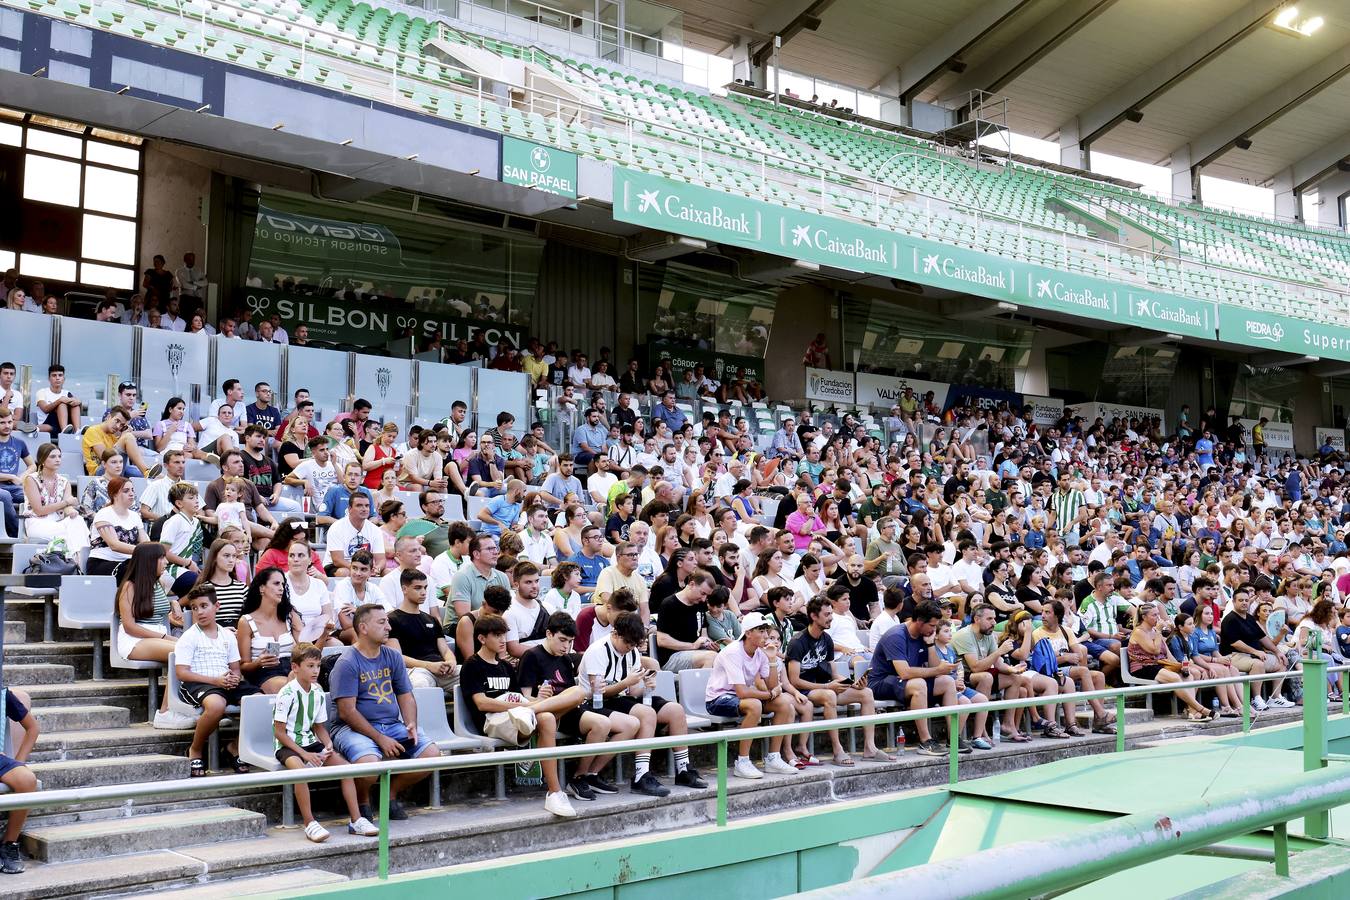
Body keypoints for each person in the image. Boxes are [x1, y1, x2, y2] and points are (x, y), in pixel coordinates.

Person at [329, 604, 440, 822]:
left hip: (390, 723)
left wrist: (411, 724)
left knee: (432, 756)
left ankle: (388, 794)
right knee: (370, 763)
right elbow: (347, 712)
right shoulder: (347, 662)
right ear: (363, 627)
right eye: (382, 622)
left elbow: (406, 695)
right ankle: (362, 801)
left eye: (387, 621)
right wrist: (381, 739)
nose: (388, 627)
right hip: (350, 728)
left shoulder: (393, 656)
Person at [460, 615, 577, 818]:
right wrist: (528, 706)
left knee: (566, 702)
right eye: (497, 635)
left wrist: (532, 703)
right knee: (543, 715)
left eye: (504, 635)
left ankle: (554, 793)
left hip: (518, 714)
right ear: (481, 638)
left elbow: (519, 698)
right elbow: (482, 703)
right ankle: (555, 791)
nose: (503, 640)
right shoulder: (472, 664)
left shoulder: (506, 667)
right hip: (492, 720)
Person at [577, 609, 705, 795]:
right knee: (647, 713)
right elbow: (599, 694)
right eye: (627, 642)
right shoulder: (598, 651)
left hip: (622, 698)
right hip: (599, 702)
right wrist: (626, 683)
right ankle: (641, 775)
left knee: (675, 710)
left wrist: (646, 686)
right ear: (615, 633)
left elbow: (634, 691)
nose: (630, 647)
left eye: (634, 644)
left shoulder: (633, 651)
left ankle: (683, 769)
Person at [519, 612, 639, 803]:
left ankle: (580, 777)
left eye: (570, 642)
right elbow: (524, 698)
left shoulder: (566, 659)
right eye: (562, 640)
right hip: (545, 712)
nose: (566, 646)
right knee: (578, 692)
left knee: (601, 723)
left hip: (570, 710)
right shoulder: (532, 656)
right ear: (549, 634)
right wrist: (538, 698)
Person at [273, 643, 379, 841]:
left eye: (318, 666)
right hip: (288, 746)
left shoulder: (318, 692)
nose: (315, 671)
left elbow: (319, 727)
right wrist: (304, 755)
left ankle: (356, 820)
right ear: (295, 668)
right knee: (300, 772)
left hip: (311, 743)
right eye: (310, 666)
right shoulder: (286, 694)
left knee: (346, 768)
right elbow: (279, 733)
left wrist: (328, 743)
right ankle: (310, 823)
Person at [786, 596, 894, 765]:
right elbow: (794, 680)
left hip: (825, 687)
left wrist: (852, 682)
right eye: (827, 614)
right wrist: (828, 685)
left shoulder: (826, 639)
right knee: (829, 695)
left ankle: (869, 748)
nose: (831, 618)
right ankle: (838, 750)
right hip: (804, 691)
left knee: (866, 693)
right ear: (814, 616)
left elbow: (833, 673)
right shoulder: (797, 642)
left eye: (831, 614)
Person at [175, 586, 260, 776]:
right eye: (195, 608)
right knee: (216, 706)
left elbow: (236, 668)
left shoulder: (228, 635)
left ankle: (234, 747)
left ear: (217, 606)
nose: (199, 612)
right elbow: (181, 673)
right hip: (198, 682)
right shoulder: (189, 637)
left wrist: (233, 679)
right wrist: (215, 680)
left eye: (204, 606)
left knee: (260, 702)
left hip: (224, 680)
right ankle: (195, 749)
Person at [705, 612, 799, 778]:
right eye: (760, 631)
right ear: (748, 633)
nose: (766, 636)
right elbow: (743, 691)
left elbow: (771, 686)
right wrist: (770, 694)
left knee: (784, 703)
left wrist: (771, 660)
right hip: (718, 699)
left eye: (766, 631)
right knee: (755, 704)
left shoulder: (761, 652)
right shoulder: (733, 651)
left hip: (743, 699)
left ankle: (773, 758)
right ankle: (742, 762)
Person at [866, 599, 955, 756]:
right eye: (932, 625)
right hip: (882, 682)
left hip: (905, 682)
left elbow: (936, 669)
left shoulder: (925, 635)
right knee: (919, 684)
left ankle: (953, 737)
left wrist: (930, 645)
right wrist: (937, 669)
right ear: (920, 621)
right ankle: (925, 741)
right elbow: (904, 672)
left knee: (947, 682)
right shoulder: (896, 635)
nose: (934, 629)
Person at [115, 544, 188, 727]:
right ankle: (165, 712)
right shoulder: (128, 587)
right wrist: (163, 638)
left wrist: (174, 606)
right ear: (148, 561)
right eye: (161, 558)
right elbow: (130, 626)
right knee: (181, 651)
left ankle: (185, 706)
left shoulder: (159, 582)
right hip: (135, 639)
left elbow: (158, 611)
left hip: (157, 635)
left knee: (191, 648)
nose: (166, 561)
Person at [387, 569, 457, 691]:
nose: (423, 592)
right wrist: (429, 666)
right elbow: (397, 657)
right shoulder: (392, 620)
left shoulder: (432, 620)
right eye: (418, 588)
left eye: (425, 587)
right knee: (420, 684)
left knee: (477, 674)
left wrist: (451, 661)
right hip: (416, 670)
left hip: (441, 668)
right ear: (404, 589)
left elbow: (445, 650)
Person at [236, 567, 301, 694]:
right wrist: (258, 662)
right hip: (264, 672)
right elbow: (243, 667)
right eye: (276, 583)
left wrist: (324, 633)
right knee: (291, 688)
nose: (281, 588)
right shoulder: (246, 621)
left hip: (292, 668)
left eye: (283, 584)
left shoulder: (289, 616)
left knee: (314, 688)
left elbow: (305, 650)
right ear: (262, 588)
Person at [0, 684, 39, 874]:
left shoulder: (3, 694)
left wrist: (19, 762)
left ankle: (8, 844)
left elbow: (32, 728)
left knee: (27, 779)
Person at [656, 570, 718, 671]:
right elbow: (662, 640)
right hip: (672, 656)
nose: (703, 599)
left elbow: (703, 634)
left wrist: (708, 644)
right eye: (702, 593)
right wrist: (692, 646)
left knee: (723, 657)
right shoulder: (669, 604)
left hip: (695, 653)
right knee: (711, 657)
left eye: (707, 595)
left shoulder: (700, 604)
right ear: (692, 584)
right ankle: (702, 687)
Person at [87, 476, 146, 576]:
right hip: (103, 562)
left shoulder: (135, 516)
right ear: (114, 494)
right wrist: (142, 550)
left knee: (154, 568)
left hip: (128, 561)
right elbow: (114, 545)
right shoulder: (104, 513)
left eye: (132, 490)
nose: (131, 493)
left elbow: (145, 542)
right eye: (126, 491)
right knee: (137, 571)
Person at [325, 492, 386, 576]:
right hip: (338, 566)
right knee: (344, 572)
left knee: (388, 572)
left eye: (367, 506)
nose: (364, 509)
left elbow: (381, 559)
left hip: (366, 567)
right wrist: (360, 570)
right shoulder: (336, 527)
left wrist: (377, 569)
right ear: (349, 509)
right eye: (359, 505)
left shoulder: (375, 529)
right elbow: (337, 560)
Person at [0, 405, 32, 538]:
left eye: (9, 422)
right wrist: (11, 476)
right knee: (5, 496)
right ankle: (16, 536)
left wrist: (22, 476)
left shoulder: (19, 443)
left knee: (34, 495)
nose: (7, 426)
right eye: (2, 423)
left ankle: (36, 531)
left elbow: (32, 465)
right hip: (3, 488)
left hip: (14, 486)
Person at [34, 364, 81, 435]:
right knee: (61, 404)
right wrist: (60, 400)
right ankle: (64, 431)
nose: (57, 378)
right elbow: (45, 409)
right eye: (54, 375)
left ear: (64, 378)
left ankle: (78, 431)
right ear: (49, 378)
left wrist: (79, 401)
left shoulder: (67, 393)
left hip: (66, 424)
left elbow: (78, 406)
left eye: (60, 375)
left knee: (75, 405)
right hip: (48, 424)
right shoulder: (42, 392)